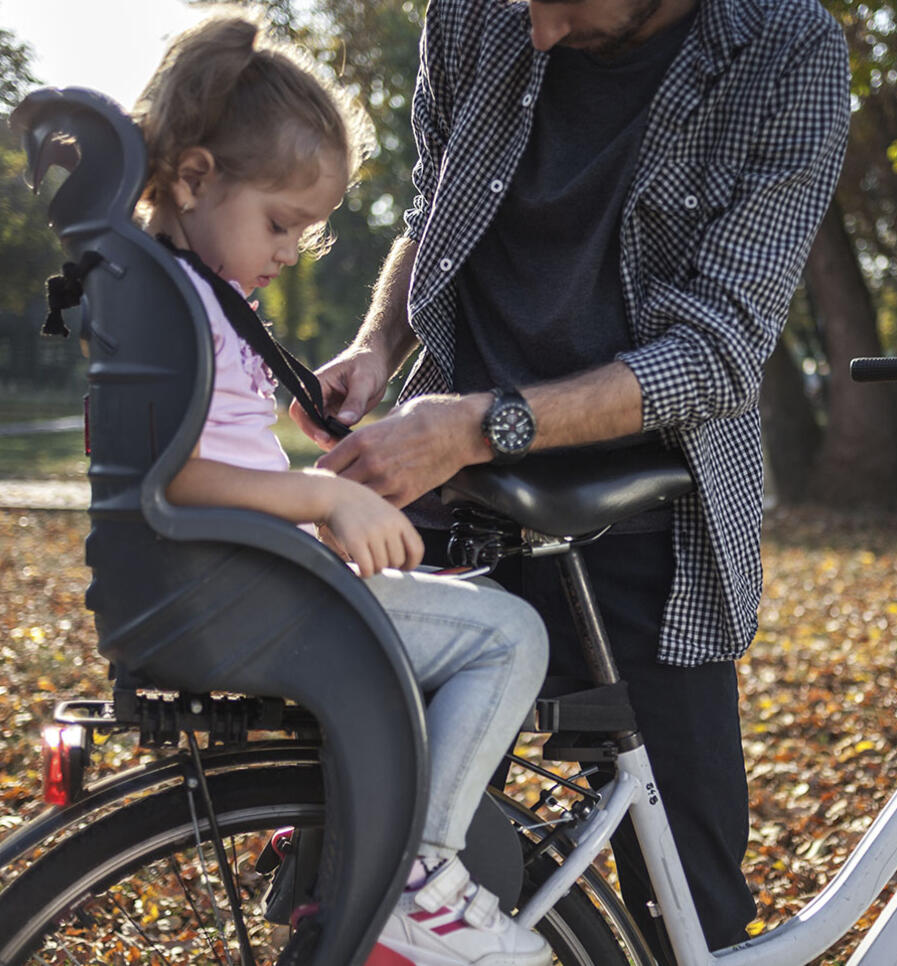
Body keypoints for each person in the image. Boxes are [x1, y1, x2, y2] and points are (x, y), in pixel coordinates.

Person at [292, 0, 851, 953]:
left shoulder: (786, 48)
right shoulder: (478, 12)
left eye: (560, 4)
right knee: (379, 859)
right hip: (452, 493)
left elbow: (718, 353)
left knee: (693, 910)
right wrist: (380, 346)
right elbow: (438, 210)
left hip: (650, 523)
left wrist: (479, 425)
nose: (535, 32)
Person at [134, 12, 552, 966]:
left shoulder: (174, 290)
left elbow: (208, 444)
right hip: (233, 592)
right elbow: (181, 475)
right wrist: (326, 500)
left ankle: (338, 820)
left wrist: (310, 427)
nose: (288, 253)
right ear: (194, 178)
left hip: (223, 581)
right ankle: (421, 874)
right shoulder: (183, 306)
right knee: (509, 635)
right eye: (280, 224)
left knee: (464, 608)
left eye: (305, 236)